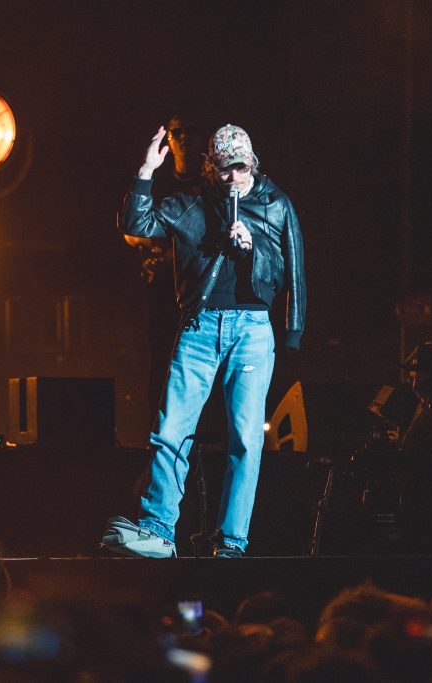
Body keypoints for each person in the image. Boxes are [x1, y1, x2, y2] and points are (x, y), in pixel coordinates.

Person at [103, 123, 306, 558]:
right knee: (171, 431)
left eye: (241, 167)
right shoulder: (192, 201)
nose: (235, 177)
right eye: (225, 169)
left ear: (252, 163)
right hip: (199, 326)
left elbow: (292, 269)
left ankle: (232, 540)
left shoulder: (275, 203)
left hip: (252, 328)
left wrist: (254, 254)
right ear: (211, 168)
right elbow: (137, 223)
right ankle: (158, 530)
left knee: (246, 438)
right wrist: (146, 171)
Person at [122, 116, 209, 418]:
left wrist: (175, 252)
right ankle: (157, 436)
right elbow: (131, 226)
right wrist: (150, 246)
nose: (184, 138)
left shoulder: (210, 184)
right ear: (168, 139)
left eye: (191, 131)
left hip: (200, 292)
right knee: (162, 359)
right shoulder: (160, 181)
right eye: (177, 132)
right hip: (163, 290)